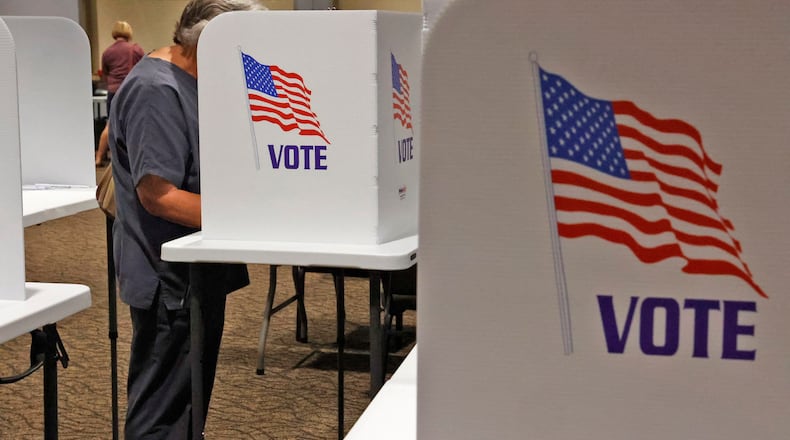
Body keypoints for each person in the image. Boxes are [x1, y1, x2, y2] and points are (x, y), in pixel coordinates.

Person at [107, 1, 265, 438]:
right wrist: (254, 218)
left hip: (191, 271)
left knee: (185, 404)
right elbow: (159, 196)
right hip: (169, 278)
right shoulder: (157, 89)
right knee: (163, 413)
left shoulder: (189, 80)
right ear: (209, 42)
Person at [96, 20, 144, 166]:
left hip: (112, 91)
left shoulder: (107, 52)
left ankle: (98, 157)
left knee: (109, 125)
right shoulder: (135, 50)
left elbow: (104, 74)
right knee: (133, 125)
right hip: (130, 91)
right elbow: (145, 69)